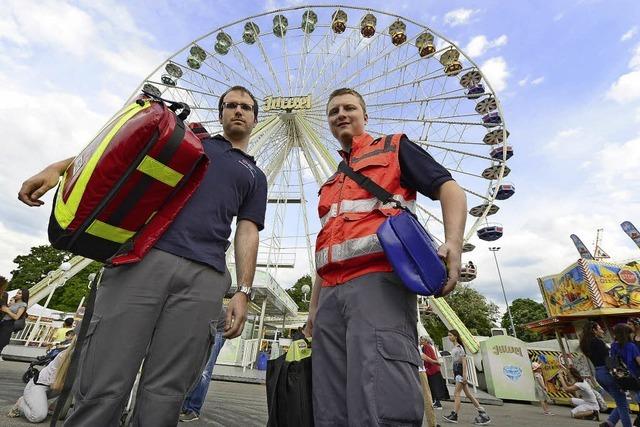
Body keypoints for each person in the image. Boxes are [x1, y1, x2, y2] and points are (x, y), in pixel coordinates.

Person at [17, 85, 268, 426]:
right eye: (231, 105)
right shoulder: (193, 142)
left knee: (167, 391)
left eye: (246, 107)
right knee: (105, 376)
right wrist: (59, 168)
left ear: (255, 117)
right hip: (143, 257)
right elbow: (120, 153)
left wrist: (244, 290)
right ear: (221, 112)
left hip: (206, 275)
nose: (238, 111)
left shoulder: (256, 176)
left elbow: (247, 230)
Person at [305, 87, 467, 426]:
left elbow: (449, 188)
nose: (341, 114)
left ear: (366, 116)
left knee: (380, 388)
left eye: (349, 108)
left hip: (378, 282)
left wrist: (454, 243)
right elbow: (326, 248)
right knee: (329, 399)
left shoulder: (394, 148)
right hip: (331, 293)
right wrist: (313, 311)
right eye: (334, 111)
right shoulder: (329, 183)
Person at [7, 337, 77, 422]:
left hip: (57, 387)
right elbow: (57, 385)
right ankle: (21, 403)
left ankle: (51, 408)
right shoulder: (64, 355)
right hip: (39, 385)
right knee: (37, 416)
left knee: (60, 414)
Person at [579, 321, 632, 427]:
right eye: (599, 328)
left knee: (621, 402)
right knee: (622, 404)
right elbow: (608, 361)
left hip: (599, 373)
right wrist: (619, 377)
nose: (602, 330)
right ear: (594, 330)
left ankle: (610, 422)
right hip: (607, 372)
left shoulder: (586, 344)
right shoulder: (598, 342)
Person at [179, 307, 228, 422]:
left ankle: (193, 409)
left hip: (217, 330)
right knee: (193, 368)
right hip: (204, 328)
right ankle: (184, 406)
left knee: (205, 371)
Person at [443, 330, 491, 425]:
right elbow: (456, 361)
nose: (449, 337)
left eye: (450, 335)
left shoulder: (459, 348)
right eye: (448, 335)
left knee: (457, 393)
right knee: (468, 394)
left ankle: (454, 415)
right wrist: (454, 373)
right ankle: (482, 413)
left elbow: (464, 362)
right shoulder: (455, 347)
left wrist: (464, 375)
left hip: (460, 373)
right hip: (458, 373)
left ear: (456, 336)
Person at [611, 323, 640, 427]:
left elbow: (612, 362)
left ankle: (610, 422)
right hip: (635, 377)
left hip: (622, 377)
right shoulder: (631, 346)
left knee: (623, 403)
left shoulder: (613, 345)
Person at [420, 336, 449, 410]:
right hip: (434, 369)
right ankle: (434, 401)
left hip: (431, 369)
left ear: (426, 341)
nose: (421, 340)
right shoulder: (429, 346)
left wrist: (426, 369)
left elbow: (427, 358)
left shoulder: (426, 347)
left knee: (433, 386)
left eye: (422, 339)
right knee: (433, 386)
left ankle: (437, 403)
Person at [0, 288, 29, 356]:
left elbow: (16, 317)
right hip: (2, 322)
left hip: (8, 324)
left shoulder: (23, 304)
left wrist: (7, 310)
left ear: (24, 295)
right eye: (17, 293)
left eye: (20, 293)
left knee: (1, 342)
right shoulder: (14, 302)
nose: (17, 294)